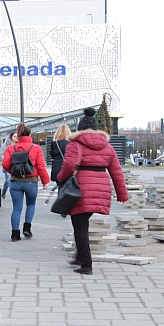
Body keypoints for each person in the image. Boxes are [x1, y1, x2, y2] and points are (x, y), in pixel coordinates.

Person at [57, 107, 128, 275]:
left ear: (80, 128)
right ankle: (79, 257)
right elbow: (116, 171)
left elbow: (68, 167)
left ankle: (86, 264)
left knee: (80, 226)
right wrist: (122, 194)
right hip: (101, 188)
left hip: (81, 188)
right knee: (82, 224)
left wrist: (60, 178)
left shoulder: (75, 144)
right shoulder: (108, 147)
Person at [2, 123, 50, 241]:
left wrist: (13, 172)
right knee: (31, 204)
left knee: (16, 208)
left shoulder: (11, 148)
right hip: (31, 181)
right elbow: (41, 166)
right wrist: (45, 181)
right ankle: (27, 228)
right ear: (29, 135)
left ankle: (15, 234)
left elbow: (5, 164)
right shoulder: (36, 148)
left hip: (15, 181)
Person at [0, 132, 17, 199]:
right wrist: (7, 160)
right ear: (11, 137)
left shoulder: (19, 144)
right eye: (14, 136)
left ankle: (15, 194)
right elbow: (0, 155)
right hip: (8, 165)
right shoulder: (5, 145)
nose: (16, 137)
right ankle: (4, 190)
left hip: (17, 165)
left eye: (17, 136)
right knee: (8, 180)